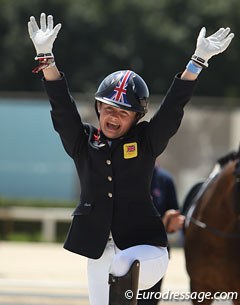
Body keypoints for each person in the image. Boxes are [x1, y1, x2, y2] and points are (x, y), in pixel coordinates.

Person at [28, 13, 234, 305]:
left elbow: (173, 109)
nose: (114, 116)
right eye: (109, 108)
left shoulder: (146, 142)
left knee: (122, 265)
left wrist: (197, 61)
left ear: (137, 119)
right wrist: (46, 58)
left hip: (147, 251)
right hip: (99, 251)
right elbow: (62, 108)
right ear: (98, 108)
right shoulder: (82, 143)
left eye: (124, 112)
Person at [138, 165, 184, 305]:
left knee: (149, 300)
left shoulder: (165, 180)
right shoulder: (127, 174)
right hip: (126, 249)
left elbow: (174, 217)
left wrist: (171, 221)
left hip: (156, 251)